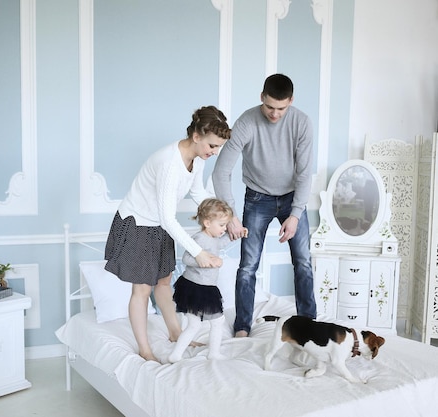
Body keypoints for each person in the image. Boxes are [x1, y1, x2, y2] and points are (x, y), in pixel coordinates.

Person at [105, 106, 232, 361]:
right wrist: (198, 252)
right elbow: (167, 217)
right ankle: (145, 349)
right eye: (212, 145)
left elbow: (198, 194)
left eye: (218, 147)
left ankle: (175, 331)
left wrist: (225, 218)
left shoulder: (196, 160)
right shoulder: (168, 163)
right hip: (138, 223)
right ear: (197, 136)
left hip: (160, 226)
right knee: (141, 290)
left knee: (164, 282)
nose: (215, 152)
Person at [212, 74, 317, 337]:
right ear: (262, 97)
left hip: (292, 197)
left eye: (281, 108)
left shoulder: (302, 123)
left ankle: (308, 324)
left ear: (291, 101)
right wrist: (232, 215)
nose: (274, 113)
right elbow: (220, 172)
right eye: (270, 106)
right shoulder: (246, 122)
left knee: (303, 261)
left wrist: (295, 215)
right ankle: (243, 326)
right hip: (257, 198)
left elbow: (305, 174)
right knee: (248, 264)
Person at [168, 198, 238, 363]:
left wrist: (235, 235)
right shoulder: (199, 238)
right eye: (221, 225)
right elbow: (186, 258)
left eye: (225, 225)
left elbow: (219, 243)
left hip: (203, 287)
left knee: (198, 324)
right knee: (215, 321)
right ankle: (208, 353)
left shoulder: (213, 238)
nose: (224, 229)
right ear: (207, 223)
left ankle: (178, 355)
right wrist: (207, 262)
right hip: (197, 288)